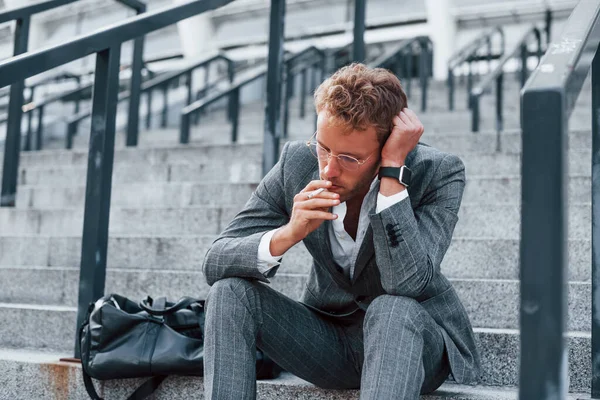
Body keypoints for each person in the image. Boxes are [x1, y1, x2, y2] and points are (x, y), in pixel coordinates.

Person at [201, 63, 480, 400]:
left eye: (349, 158)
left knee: (390, 309)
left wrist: (392, 175)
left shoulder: (437, 173)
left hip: (413, 342)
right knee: (229, 292)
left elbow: (406, 283)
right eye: (324, 148)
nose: (328, 169)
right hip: (329, 340)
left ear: (388, 146)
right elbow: (215, 261)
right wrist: (289, 233)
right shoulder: (297, 162)